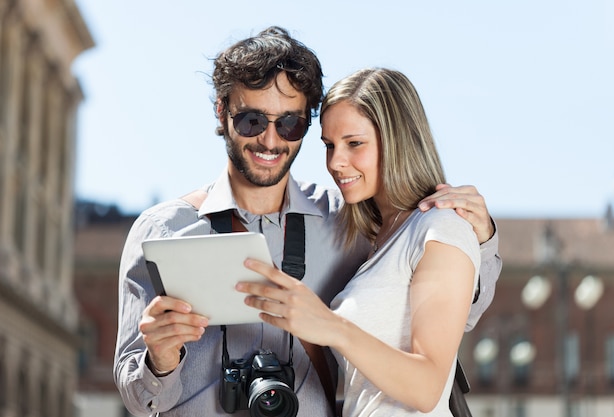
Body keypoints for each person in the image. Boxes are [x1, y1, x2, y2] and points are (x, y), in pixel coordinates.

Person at [114, 27, 501, 417]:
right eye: (251, 121)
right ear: (222, 111)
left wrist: (481, 239)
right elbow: (137, 398)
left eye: (289, 124)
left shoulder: (350, 221)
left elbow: (451, 317)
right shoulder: (163, 231)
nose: (270, 140)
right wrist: (159, 361)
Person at [237, 68, 482, 416]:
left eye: (354, 144)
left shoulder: (440, 227)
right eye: (329, 146)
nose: (336, 162)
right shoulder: (378, 237)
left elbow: (428, 386)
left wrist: (331, 326)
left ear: (398, 140)